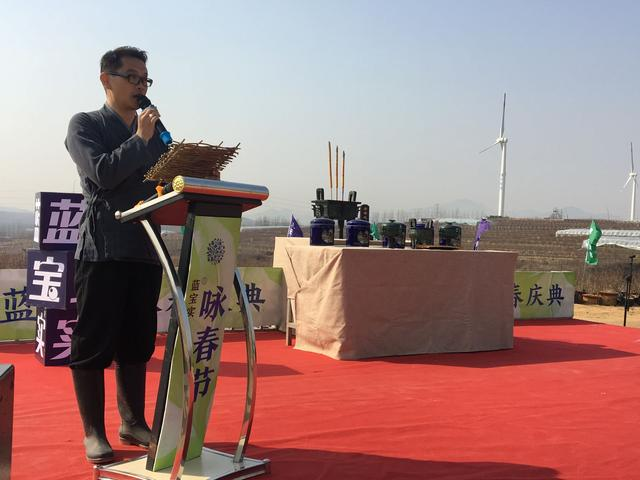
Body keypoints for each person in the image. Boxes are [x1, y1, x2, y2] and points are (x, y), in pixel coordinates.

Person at [65, 46, 168, 464]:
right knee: (93, 342)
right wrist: (140, 139)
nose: (141, 86)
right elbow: (103, 173)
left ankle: (133, 422)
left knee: (137, 342)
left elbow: (167, 178)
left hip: (145, 247)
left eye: (145, 79)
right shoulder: (85, 124)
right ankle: (93, 432)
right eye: (133, 78)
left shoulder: (155, 131)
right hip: (103, 248)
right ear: (106, 80)